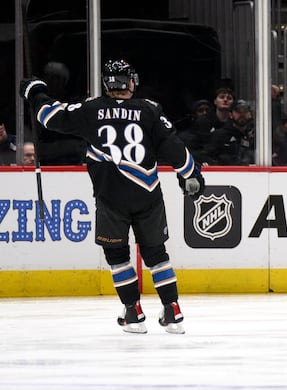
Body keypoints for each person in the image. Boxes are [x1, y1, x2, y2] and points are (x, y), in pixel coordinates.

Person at [19, 59, 205, 334]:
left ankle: (133, 312)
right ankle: (173, 310)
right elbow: (175, 148)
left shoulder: (91, 108)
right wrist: (191, 175)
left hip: (110, 197)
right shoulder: (150, 110)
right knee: (156, 254)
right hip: (148, 194)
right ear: (130, 82)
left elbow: (48, 116)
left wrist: (36, 92)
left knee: (117, 255)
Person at [210, 99, 255, 165]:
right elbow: (209, 157)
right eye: (238, 111)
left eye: (245, 111)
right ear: (230, 115)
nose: (242, 114)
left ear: (250, 114)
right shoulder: (220, 135)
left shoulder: (255, 136)